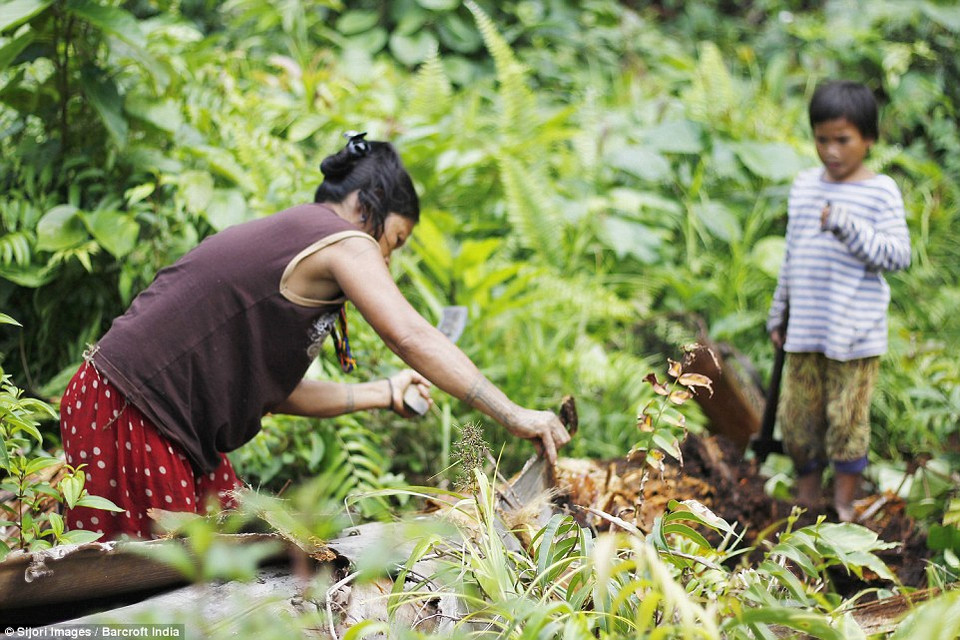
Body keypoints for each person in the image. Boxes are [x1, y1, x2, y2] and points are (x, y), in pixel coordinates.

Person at [60, 132, 571, 539]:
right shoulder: (346, 240)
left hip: (139, 414)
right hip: (130, 413)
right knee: (165, 595)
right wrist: (513, 414)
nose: (387, 257)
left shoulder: (304, 241)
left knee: (228, 562)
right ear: (368, 206)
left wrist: (385, 392)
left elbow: (272, 395)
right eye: (394, 240)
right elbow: (411, 335)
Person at [767, 81, 911, 522]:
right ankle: (808, 501)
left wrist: (848, 226)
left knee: (846, 420)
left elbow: (898, 256)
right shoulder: (805, 186)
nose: (831, 151)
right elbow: (792, 253)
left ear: (868, 139)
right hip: (806, 326)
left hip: (855, 331)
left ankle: (844, 507)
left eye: (843, 140)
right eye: (822, 139)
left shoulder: (880, 191)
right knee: (797, 419)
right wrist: (779, 310)